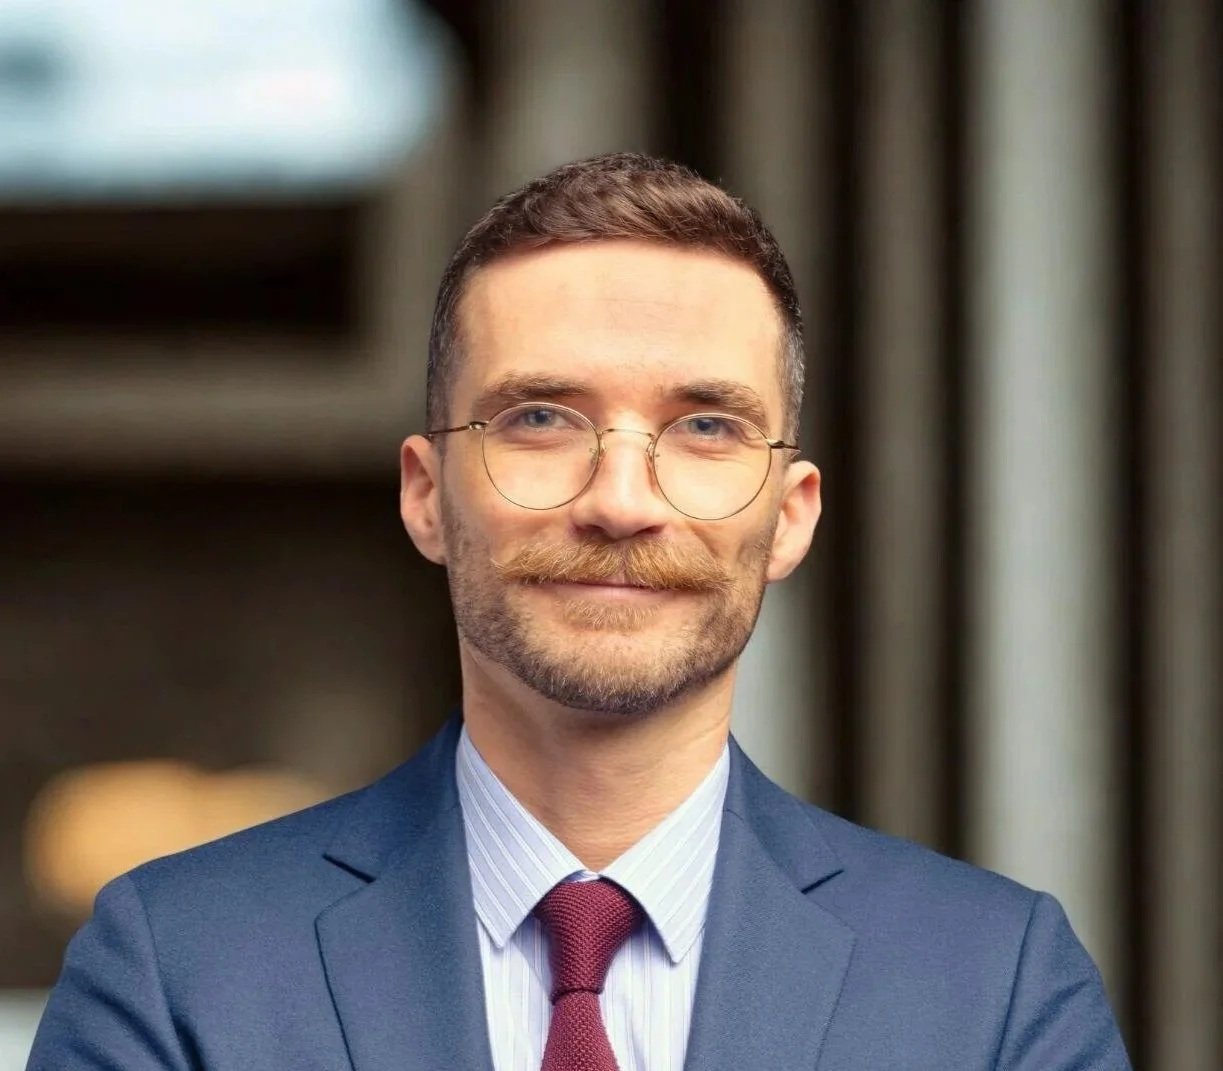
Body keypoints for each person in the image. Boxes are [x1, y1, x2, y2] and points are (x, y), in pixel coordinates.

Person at [27, 153, 1130, 1070]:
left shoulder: (991, 989)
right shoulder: (177, 969)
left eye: (704, 428)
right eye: (541, 418)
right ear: (425, 496)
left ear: (789, 516)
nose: (618, 500)